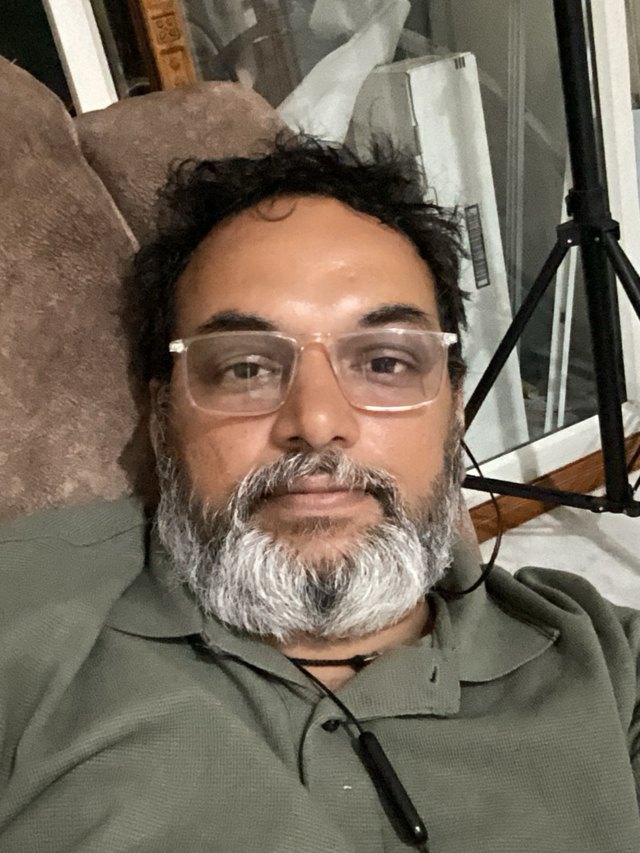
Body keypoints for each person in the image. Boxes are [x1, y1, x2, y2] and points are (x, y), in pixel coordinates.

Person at [0, 135, 639, 853]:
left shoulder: (609, 665)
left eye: (384, 361)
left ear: (454, 410)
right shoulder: (26, 617)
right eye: (245, 368)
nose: (316, 421)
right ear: (161, 418)